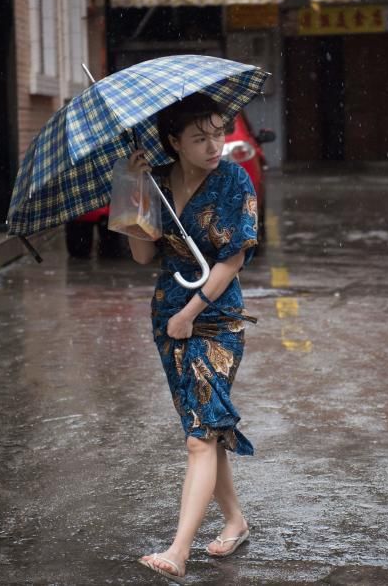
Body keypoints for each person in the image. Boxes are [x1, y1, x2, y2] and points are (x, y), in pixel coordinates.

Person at [127, 93, 258, 583]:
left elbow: (233, 260)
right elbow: (143, 258)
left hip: (215, 317)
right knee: (204, 426)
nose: (214, 145)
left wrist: (191, 312)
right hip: (168, 314)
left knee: (199, 438)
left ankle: (177, 552)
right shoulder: (158, 183)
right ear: (173, 142)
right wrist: (133, 190)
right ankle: (236, 521)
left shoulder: (233, 180)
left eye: (219, 133)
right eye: (200, 138)